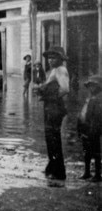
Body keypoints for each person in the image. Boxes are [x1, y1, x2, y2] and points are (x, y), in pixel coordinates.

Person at [37, 46, 69, 180]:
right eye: (49, 58)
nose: (50, 60)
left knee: (53, 138)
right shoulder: (54, 70)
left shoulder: (61, 70)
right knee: (50, 137)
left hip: (55, 107)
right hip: (50, 106)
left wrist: (51, 97)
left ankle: (58, 171)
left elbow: (65, 89)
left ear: (60, 59)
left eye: (54, 57)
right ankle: (52, 167)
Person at [77, 76, 102, 181]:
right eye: (90, 86)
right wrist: (79, 127)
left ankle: (97, 174)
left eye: (94, 86)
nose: (91, 89)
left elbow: (97, 117)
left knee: (96, 152)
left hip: (93, 130)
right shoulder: (89, 98)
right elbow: (83, 113)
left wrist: (94, 130)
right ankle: (87, 172)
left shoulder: (98, 100)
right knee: (86, 152)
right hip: (85, 128)